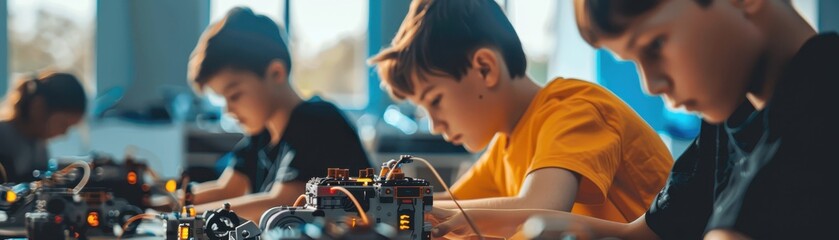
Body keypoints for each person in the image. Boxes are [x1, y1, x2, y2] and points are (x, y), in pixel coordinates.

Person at [434, 0, 839, 239]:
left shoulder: (821, 103)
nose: (650, 85)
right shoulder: (729, 117)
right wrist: (457, 219)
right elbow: (638, 235)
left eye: (655, 45)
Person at [369, 0, 672, 236]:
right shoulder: (505, 145)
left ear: (485, 68)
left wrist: (412, 207)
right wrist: (374, 204)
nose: (435, 125)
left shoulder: (574, 108)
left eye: (435, 100)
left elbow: (539, 209)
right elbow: (447, 208)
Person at [187, 7, 373, 222]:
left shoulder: (319, 122)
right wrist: (163, 205)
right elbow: (227, 188)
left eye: (235, 95)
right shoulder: (262, 133)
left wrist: (183, 217)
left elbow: (282, 205)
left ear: (276, 73)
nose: (228, 110)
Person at [0, 72, 87, 183]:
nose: (64, 133)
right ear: (38, 107)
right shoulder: (3, 139)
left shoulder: (40, 148)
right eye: (63, 124)